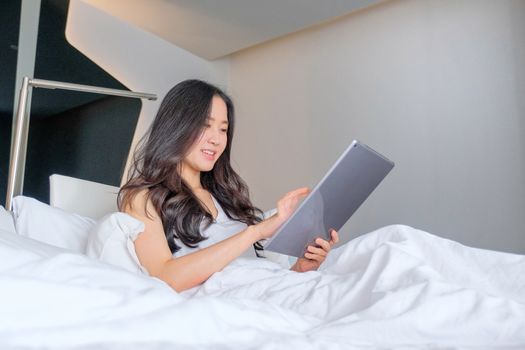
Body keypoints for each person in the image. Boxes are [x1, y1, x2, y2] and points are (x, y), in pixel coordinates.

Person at [119, 79, 339, 292]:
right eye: (206, 126)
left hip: (266, 298)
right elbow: (164, 277)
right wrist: (255, 232)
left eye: (223, 129)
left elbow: (255, 280)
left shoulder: (225, 197)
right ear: (176, 127)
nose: (216, 139)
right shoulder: (143, 197)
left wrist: (301, 268)